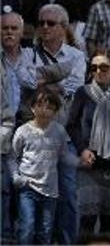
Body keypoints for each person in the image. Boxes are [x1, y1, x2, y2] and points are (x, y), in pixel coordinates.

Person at [66, 52, 110, 243]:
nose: (99, 71)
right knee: (87, 221)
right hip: (91, 164)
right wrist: (82, 150)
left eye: (104, 67)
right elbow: (71, 124)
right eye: (94, 68)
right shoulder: (83, 92)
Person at [11, 87, 79, 245]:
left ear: (55, 111)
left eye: (49, 107)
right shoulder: (22, 131)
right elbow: (13, 156)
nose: (44, 110)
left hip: (50, 190)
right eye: (40, 105)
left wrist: (80, 161)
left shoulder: (59, 131)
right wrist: (16, 177)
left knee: (46, 229)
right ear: (32, 107)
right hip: (27, 187)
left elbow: (64, 156)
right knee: (27, 227)